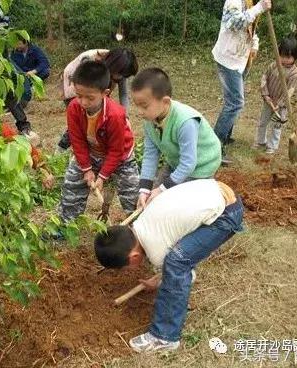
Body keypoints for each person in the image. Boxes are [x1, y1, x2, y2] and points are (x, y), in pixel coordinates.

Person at [94, 179, 244, 352]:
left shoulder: (155, 249)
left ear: (134, 257)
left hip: (225, 214)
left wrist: (165, 280)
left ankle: (164, 337)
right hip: (217, 191)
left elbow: (184, 273)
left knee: (176, 262)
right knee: (177, 261)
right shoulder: (143, 222)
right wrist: (161, 279)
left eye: (125, 267)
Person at [57, 61, 139, 225]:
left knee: (132, 192)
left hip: (121, 157)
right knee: (71, 184)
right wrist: (87, 169)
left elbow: (116, 151)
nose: (83, 102)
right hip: (91, 152)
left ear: (105, 93)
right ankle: (66, 224)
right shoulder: (74, 108)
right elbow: (77, 141)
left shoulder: (115, 115)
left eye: (90, 97)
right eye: (79, 95)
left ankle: (137, 227)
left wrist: (102, 176)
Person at [131, 68, 221, 208]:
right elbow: (150, 154)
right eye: (137, 106)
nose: (140, 112)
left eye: (144, 106)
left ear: (165, 102)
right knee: (151, 199)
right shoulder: (150, 120)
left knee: (180, 206)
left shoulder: (186, 122)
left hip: (201, 166)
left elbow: (189, 163)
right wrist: (144, 189)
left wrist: (162, 189)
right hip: (176, 162)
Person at [212, 0, 272, 165]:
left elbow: (250, 28)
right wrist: (259, 8)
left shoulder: (249, 1)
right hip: (228, 60)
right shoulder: (234, 1)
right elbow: (235, 23)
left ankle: (226, 134)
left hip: (241, 60)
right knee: (235, 103)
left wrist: (255, 43)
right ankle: (214, 146)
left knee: (232, 102)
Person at [57, 48, 138, 151]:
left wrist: (125, 117)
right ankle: (61, 149)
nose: (121, 77)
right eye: (120, 74)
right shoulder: (90, 61)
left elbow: (123, 94)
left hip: (95, 89)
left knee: (98, 119)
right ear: (114, 66)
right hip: (76, 84)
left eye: (124, 76)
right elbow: (85, 87)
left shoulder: (120, 71)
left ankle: (93, 149)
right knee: (80, 120)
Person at [253, 37, 297, 154]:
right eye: (282, 55)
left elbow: (289, 91)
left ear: (295, 57)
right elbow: (264, 77)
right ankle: (260, 142)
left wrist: (279, 104)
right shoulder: (274, 65)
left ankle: (272, 146)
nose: (284, 59)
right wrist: (266, 95)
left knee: (277, 126)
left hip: (281, 107)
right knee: (262, 122)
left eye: (288, 57)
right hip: (268, 101)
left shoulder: (294, 73)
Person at [6, 38, 51, 135]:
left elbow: (44, 63)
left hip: (34, 73)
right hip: (22, 75)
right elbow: (14, 67)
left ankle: (32, 84)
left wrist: (34, 71)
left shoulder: (35, 50)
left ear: (25, 43)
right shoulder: (14, 53)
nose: (16, 46)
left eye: (18, 43)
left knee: (46, 71)